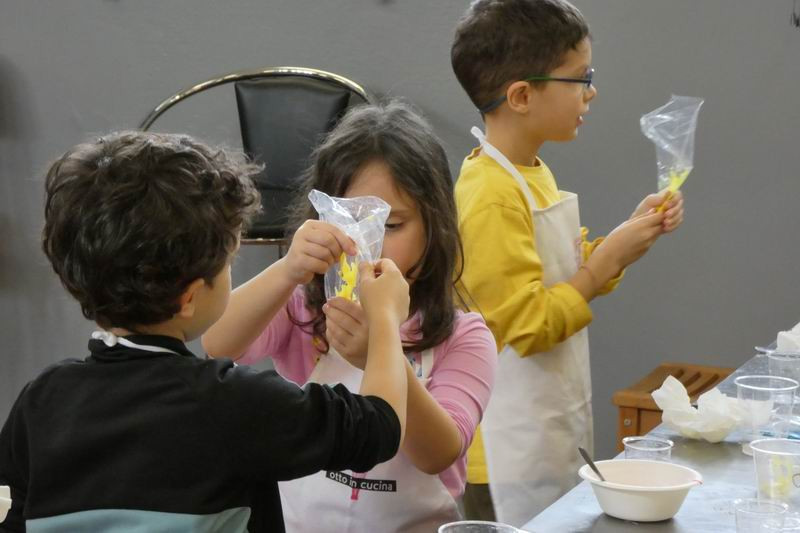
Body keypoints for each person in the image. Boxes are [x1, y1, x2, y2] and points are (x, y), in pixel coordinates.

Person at [0, 131, 411, 533]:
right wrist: (386, 321)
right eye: (228, 263)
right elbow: (378, 427)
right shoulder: (234, 403)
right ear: (190, 298)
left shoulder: (40, 401)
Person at [203, 101, 497, 533]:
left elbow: (439, 453)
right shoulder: (306, 308)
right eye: (347, 221)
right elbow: (217, 343)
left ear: (435, 226)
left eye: (390, 226)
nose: (365, 245)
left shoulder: (464, 336)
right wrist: (288, 270)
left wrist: (381, 351)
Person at [450, 0, 685, 526]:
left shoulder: (530, 171)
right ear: (521, 95)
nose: (591, 91)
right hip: (504, 448)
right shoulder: (490, 192)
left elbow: (560, 272)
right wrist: (602, 267)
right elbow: (527, 324)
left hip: (544, 424)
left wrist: (623, 239)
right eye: (581, 78)